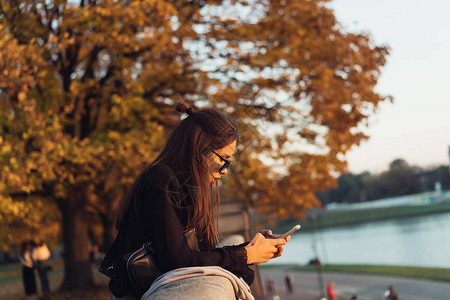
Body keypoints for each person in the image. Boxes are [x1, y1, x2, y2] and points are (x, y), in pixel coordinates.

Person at [101, 103, 290, 299]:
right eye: (223, 159)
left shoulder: (188, 188)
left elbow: (199, 255)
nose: (225, 170)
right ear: (200, 149)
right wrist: (244, 255)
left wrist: (250, 248)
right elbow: (178, 261)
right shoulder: (160, 179)